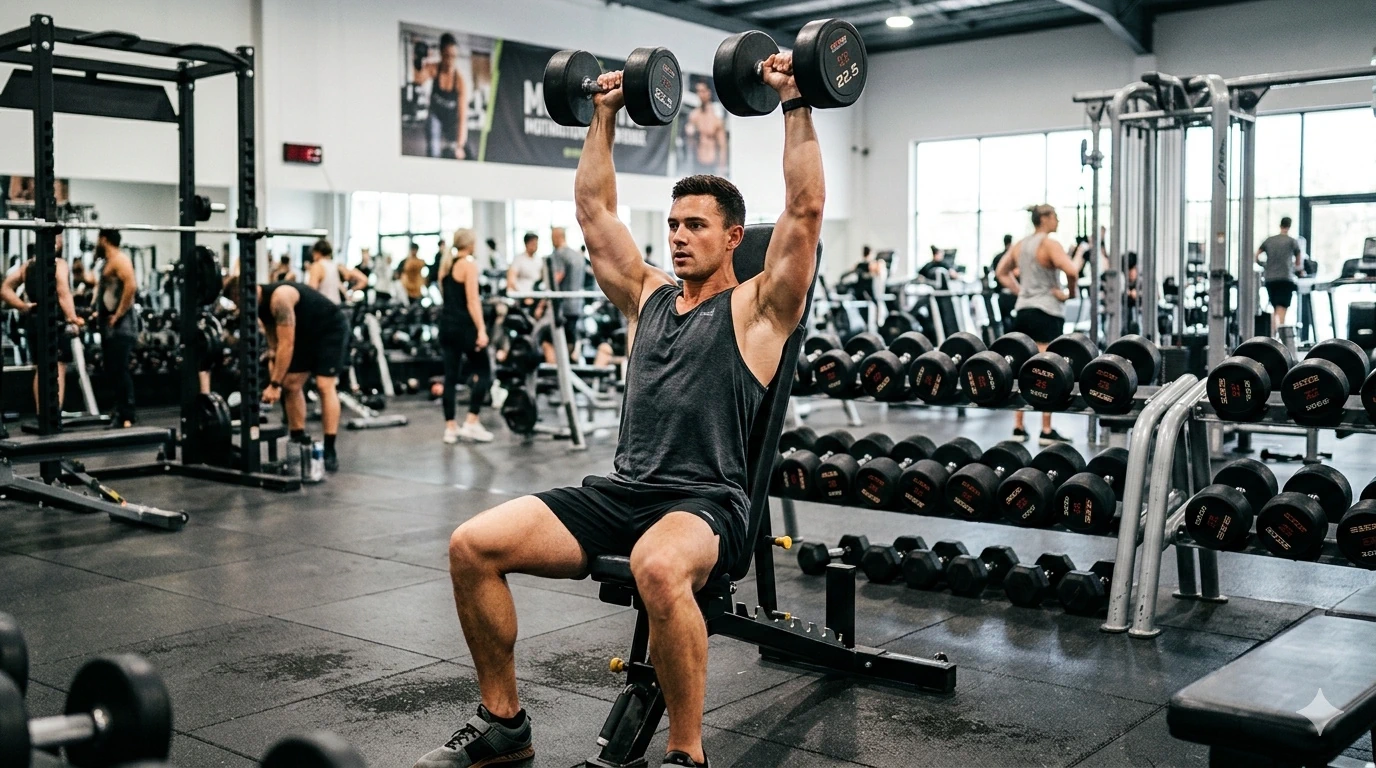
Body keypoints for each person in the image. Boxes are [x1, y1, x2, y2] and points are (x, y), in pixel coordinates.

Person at [413, 48, 821, 768]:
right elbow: (594, 209)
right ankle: (505, 722)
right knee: (472, 546)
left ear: (732, 237)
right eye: (672, 224)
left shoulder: (759, 310)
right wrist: (599, 114)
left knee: (657, 569)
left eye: (696, 225)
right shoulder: (647, 297)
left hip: (705, 505)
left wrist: (794, 101)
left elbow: (804, 210)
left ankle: (686, 753)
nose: (678, 236)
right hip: (622, 492)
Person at [227, 276, 349, 472]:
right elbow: (274, 346)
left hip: (329, 330)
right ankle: (298, 440)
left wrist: (274, 384)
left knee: (324, 385)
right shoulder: (259, 307)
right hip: (304, 334)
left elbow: (287, 344)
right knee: (291, 385)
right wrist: (275, 379)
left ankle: (329, 448)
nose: (240, 307)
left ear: (246, 292)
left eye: (238, 301)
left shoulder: (280, 298)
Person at [996, 204, 1083, 446]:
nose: (1058, 220)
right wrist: (1069, 294)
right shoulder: (1049, 243)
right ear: (1043, 218)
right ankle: (1046, 430)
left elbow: (1000, 272)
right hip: (1047, 311)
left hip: (1023, 311)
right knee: (1046, 368)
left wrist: (1021, 291)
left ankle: (1018, 427)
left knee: (1024, 365)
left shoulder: (1020, 245)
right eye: (1055, 216)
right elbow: (1072, 271)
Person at [0, 234, 84, 411]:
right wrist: (73, 319)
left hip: (34, 322)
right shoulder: (59, 264)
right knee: (58, 367)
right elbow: (63, 292)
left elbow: (5, 289)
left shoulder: (27, 266)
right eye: (58, 237)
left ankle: (42, 413)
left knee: (41, 369)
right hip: (55, 323)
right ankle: (55, 415)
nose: (60, 241)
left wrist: (23, 307)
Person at [437, 229, 493, 444]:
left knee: (450, 378)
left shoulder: (446, 266)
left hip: (447, 326)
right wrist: (481, 329)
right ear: (469, 245)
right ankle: (471, 421)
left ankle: (450, 428)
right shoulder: (469, 265)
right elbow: (472, 301)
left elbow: (448, 298)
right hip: (464, 327)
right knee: (485, 372)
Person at [95, 229, 139, 427]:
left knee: (120, 370)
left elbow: (131, 286)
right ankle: (120, 411)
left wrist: (118, 314)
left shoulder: (120, 259)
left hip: (122, 326)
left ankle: (127, 415)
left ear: (104, 239)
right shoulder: (108, 261)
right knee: (112, 370)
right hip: (110, 325)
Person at [413, 32, 468, 159]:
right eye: (447, 56)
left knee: (463, 154)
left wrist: (460, 146)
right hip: (436, 116)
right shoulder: (434, 69)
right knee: (433, 148)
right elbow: (418, 79)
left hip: (452, 121)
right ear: (441, 54)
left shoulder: (459, 81)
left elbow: (462, 117)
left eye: (453, 56)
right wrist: (418, 59)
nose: (450, 61)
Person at [539, 226, 586, 363]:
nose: (551, 241)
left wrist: (541, 304)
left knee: (547, 340)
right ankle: (566, 369)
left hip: (562, 307)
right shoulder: (578, 256)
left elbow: (556, 278)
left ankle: (555, 377)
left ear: (558, 237)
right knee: (568, 340)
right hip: (576, 306)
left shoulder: (559, 254)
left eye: (552, 237)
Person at [1257, 216, 1303, 335]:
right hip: (1285, 278)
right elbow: (1298, 258)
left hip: (1270, 278)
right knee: (1281, 308)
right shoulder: (1292, 241)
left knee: (1274, 308)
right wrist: (1298, 269)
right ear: (1289, 226)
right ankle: (1279, 336)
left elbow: (1256, 254)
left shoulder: (1269, 240)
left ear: (1280, 225)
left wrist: (1264, 265)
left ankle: (1273, 334)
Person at [684, 81, 727, 175]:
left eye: (703, 91)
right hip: (697, 162)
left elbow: (722, 145)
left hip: (712, 164)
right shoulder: (694, 115)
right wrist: (690, 135)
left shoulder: (716, 117)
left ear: (709, 92)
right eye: (698, 91)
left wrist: (721, 169)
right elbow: (690, 144)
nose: (700, 94)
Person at [306, 239, 367, 306]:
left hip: (323, 307)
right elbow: (364, 279)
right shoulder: (335, 266)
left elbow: (311, 291)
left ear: (317, 253)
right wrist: (352, 290)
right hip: (336, 306)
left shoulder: (317, 266)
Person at [989, 234, 1017, 331]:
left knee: (1005, 319)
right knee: (1013, 320)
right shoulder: (1012, 258)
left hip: (1002, 294)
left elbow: (992, 271)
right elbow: (1000, 273)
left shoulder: (997, 257)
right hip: (1011, 294)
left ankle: (1007, 339)